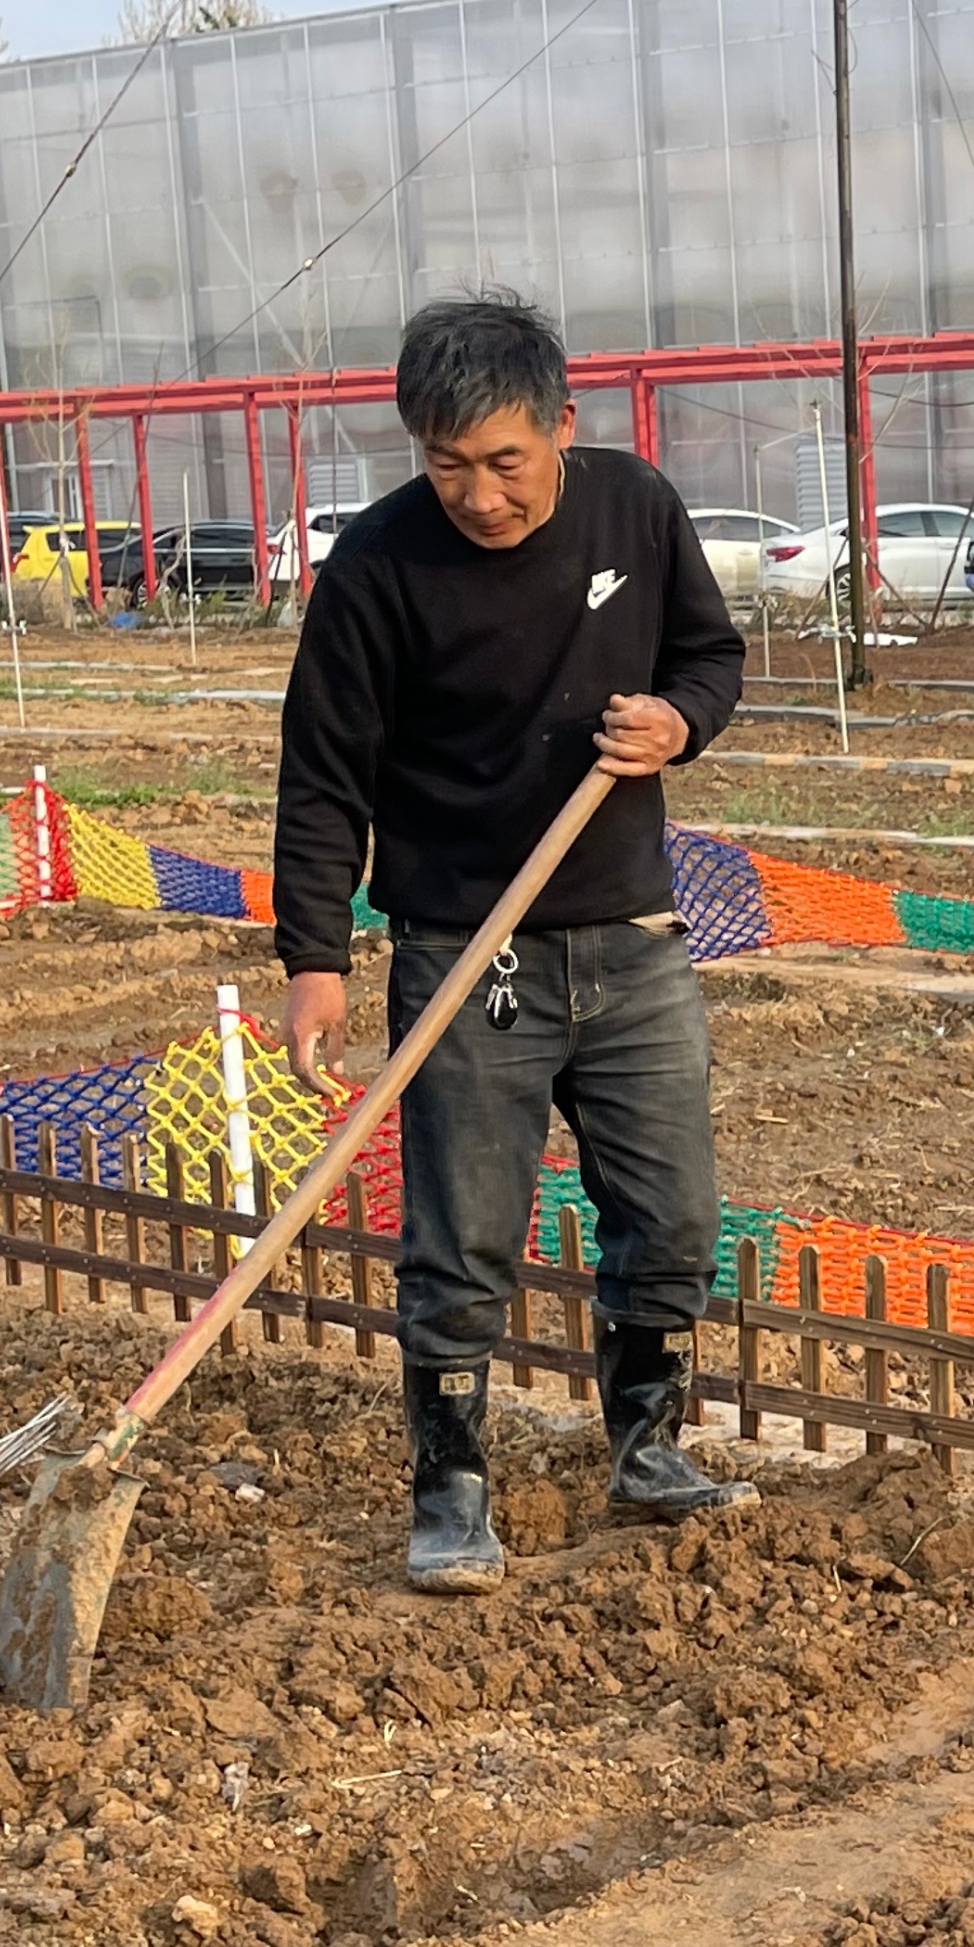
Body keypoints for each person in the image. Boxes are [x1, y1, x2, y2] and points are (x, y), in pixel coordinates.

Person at [274, 292, 753, 1592]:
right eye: (446, 465)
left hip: (631, 936)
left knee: (668, 1218)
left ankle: (647, 1448)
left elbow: (712, 655)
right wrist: (314, 959)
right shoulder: (377, 568)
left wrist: (679, 723)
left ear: (561, 428)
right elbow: (322, 775)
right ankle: (449, 1490)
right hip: (465, 947)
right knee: (464, 1232)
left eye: (504, 461)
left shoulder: (633, 509)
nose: (478, 496)